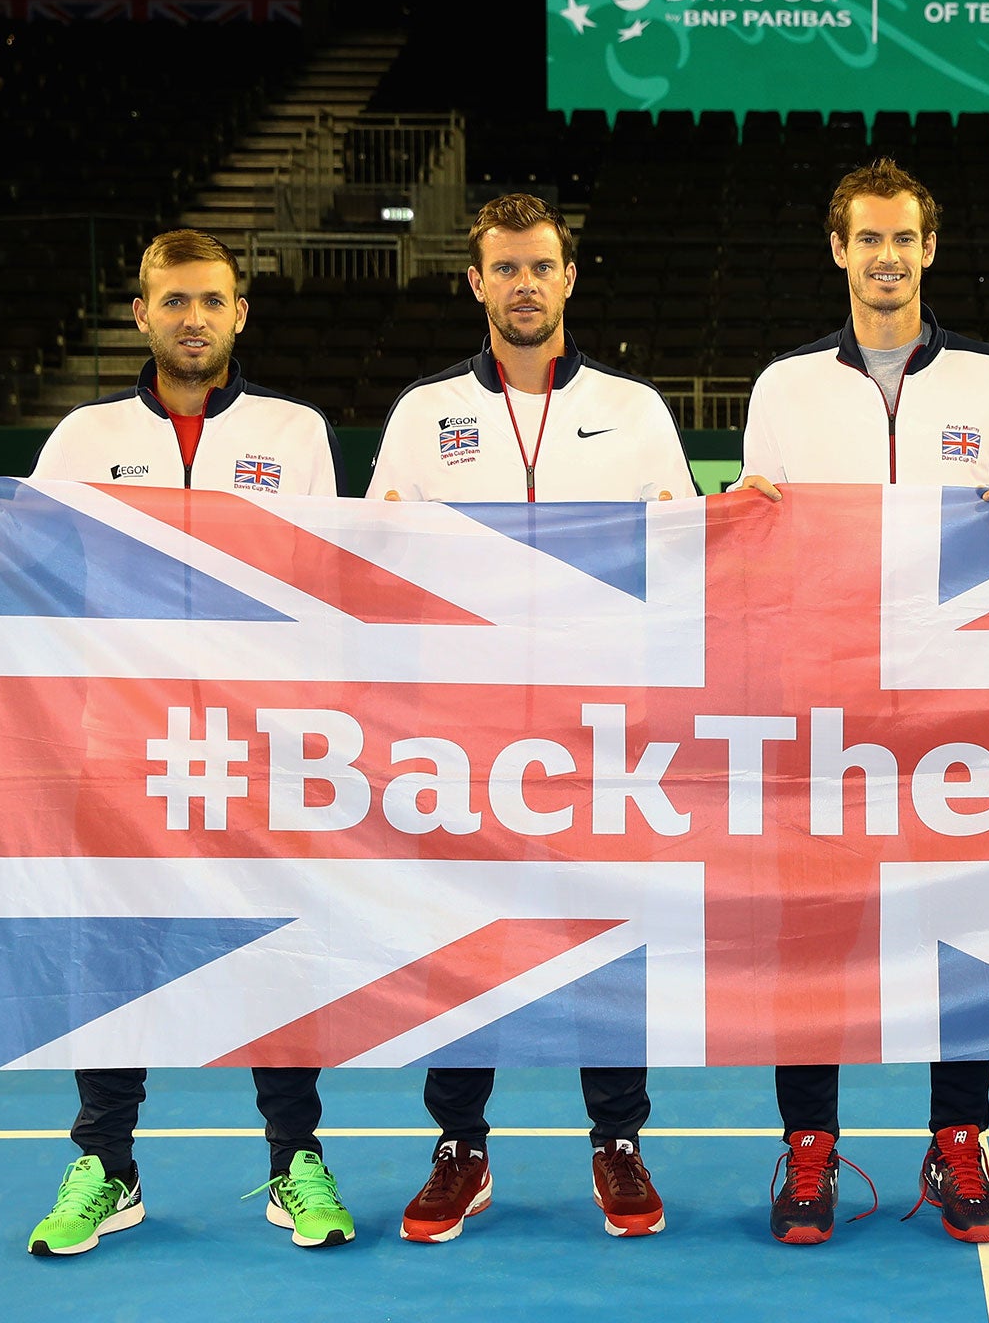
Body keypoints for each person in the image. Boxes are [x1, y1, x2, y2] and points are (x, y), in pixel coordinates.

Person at [0, 228, 352, 1256]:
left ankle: (294, 1162)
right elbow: (16, 555)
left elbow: (340, 578)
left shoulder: (296, 431)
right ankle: (108, 1166)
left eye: (211, 301)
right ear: (140, 314)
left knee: (277, 947)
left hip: (257, 745)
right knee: (111, 955)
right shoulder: (83, 438)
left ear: (239, 313)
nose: (193, 319)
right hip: (119, 745)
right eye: (173, 301)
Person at [369, 192, 696, 1243]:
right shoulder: (422, 417)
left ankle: (617, 1139)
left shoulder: (635, 409)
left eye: (539, 266)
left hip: (602, 731)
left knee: (606, 931)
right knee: (462, 936)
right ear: (475, 282)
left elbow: (691, 557)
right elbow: (372, 564)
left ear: (568, 278)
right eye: (502, 268)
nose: (522, 284)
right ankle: (460, 1145)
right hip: (461, 733)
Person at [736, 158, 989, 1245]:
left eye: (901, 237)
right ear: (838, 251)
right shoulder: (781, 389)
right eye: (865, 238)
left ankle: (958, 1135)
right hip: (820, 707)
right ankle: (807, 1145)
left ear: (927, 247)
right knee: (811, 937)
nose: (884, 255)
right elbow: (755, 553)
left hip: (955, 712)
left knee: (957, 933)